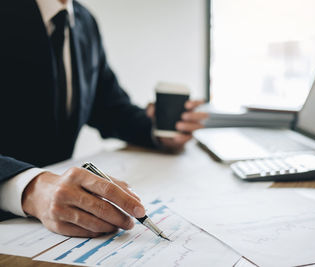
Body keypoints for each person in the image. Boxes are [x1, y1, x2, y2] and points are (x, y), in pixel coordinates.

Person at [0, 0, 208, 237]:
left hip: (59, 225)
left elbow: (109, 108)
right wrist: (29, 188)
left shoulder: (83, 20)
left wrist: (157, 131)